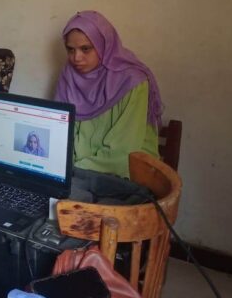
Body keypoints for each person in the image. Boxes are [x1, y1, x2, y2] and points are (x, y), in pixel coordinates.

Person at [54, 11, 163, 178]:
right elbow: (60, 132)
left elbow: (123, 152)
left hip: (127, 172)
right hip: (76, 172)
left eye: (85, 49)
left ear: (103, 45)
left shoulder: (132, 81)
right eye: (70, 49)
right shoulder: (69, 75)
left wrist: (72, 170)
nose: (76, 58)